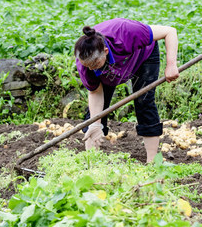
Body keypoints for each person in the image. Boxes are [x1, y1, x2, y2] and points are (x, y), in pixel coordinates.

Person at [74, 19, 179, 162]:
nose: (91, 69)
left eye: (95, 64)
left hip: (142, 58)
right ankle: (92, 163)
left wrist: (171, 65)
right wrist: (95, 123)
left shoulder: (125, 31)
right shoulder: (86, 65)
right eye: (88, 66)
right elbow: (95, 92)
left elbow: (169, 31)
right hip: (111, 70)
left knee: (144, 101)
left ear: (105, 51)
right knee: (96, 115)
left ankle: (152, 162)